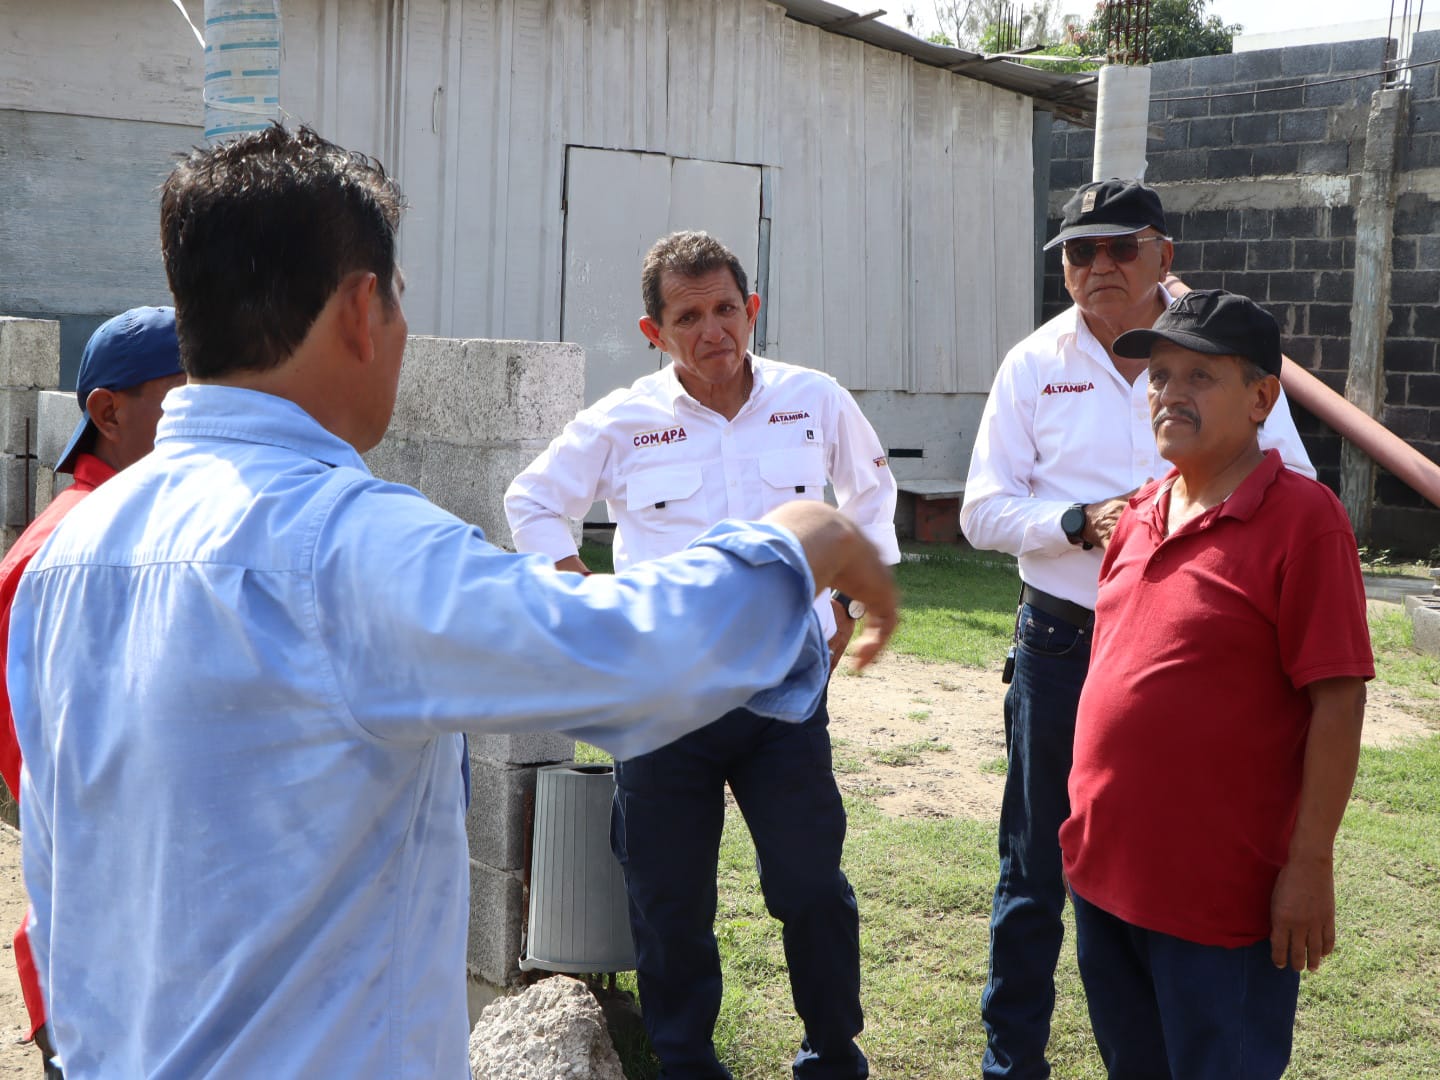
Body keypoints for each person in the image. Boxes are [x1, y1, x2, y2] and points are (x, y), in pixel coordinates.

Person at [7, 126, 899, 1080]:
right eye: (399, 303)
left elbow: (54, 873)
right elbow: (631, 651)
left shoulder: (67, 555)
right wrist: (808, 537)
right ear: (363, 308)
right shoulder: (353, 548)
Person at [505, 230, 899, 1080]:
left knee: (809, 887)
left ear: (750, 310)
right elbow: (532, 500)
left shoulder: (814, 400)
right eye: (689, 316)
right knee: (670, 903)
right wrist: (589, 603)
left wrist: (847, 597)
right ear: (656, 333)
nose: (713, 329)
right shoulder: (622, 421)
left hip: (781, 698)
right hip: (665, 703)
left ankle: (833, 1052)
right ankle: (685, 1062)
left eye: (727, 308)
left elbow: (872, 497)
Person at [959, 178, 1316, 1079]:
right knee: (1036, 871)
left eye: (1120, 247)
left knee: (1187, 862)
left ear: (1164, 253)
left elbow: (1291, 480)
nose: (1098, 267)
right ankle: (1014, 1064)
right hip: (1065, 640)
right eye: (1079, 253)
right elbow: (980, 511)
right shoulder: (1034, 363)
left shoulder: (1221, 342)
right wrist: (1077, 521)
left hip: (1199, 655)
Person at [1059, 289, 1373, 1078]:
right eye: (1159, 375)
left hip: (1219, 899)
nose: (1169, 393)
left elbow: (1337, 698)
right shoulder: (1136, 516)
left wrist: (1311, 865)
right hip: (1107, 873)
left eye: (1200, 376)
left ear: (1262, 396)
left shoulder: (1305, 520)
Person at [0, 306, 185, 1078]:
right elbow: (45, 783)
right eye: (184, 400)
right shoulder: (56, 559)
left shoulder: (154, 531)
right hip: (105, 970)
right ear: (108, 413)